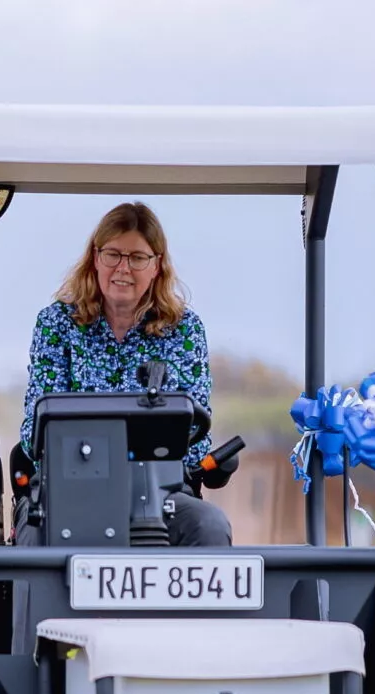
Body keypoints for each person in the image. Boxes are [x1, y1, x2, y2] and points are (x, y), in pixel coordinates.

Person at [15, 202, 232, 546]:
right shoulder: (57, 323)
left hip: (160, 492)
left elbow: (193, 435)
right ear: (95, 258)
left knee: (208, 524)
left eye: (137, 257)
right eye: (113, 254)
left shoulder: (184, 330)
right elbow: (34, 431)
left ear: (157, 265)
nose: (123, 268)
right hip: (71, 489)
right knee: (35, 530)